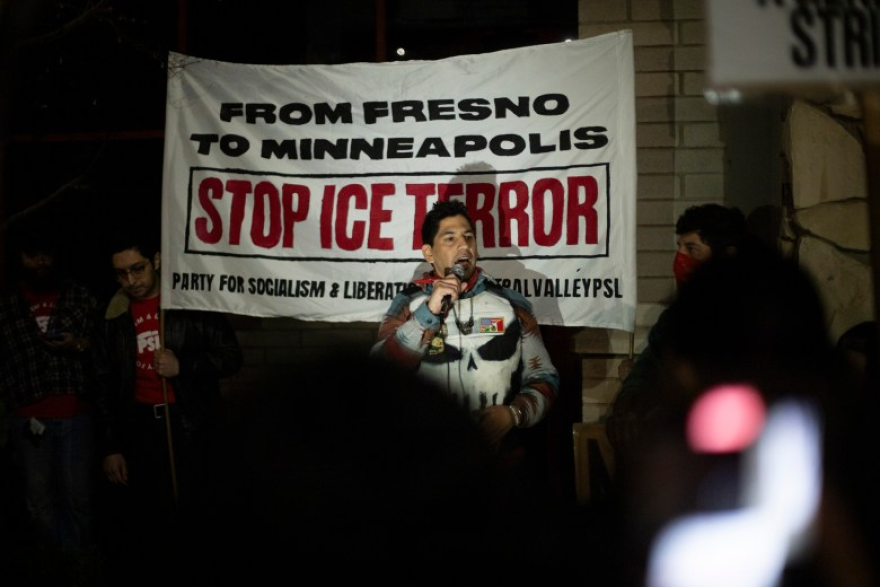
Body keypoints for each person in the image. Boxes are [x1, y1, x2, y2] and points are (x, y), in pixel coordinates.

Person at [91, 228, 243, 576]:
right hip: (139, 425)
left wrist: (183, 366)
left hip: (189, 421)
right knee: (147, 513)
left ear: (156, 260)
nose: (131, 280)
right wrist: (110, 445)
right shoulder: (111, 317)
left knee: (196, 505)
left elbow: (232, 357)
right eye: (121, 273)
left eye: (138, 268)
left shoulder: (190, 304)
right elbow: (101, 383)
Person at [370, 199, 560, 472]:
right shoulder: (407, 304)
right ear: (429, 253)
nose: (464, 246)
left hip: (500, 464)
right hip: (427, 467)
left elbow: (545, 377)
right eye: (450, 239)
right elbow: (380, 377)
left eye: (468, 237)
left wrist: (513, 414)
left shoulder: (511, 303)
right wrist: (428, 313)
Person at [604, 203, 751, 461]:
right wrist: (629, 403)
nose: (681, 259)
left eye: (692, 249)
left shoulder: (751, 317)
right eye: (680, 248)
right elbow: (648, 367)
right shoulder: (674, 318)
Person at [0, 224, 98, 555]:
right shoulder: (7, 305)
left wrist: (79, 344)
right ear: (20, 258)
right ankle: (54, 559)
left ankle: (78, 560)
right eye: (32, 255)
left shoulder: (80, 295)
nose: (41, 262)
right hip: (26, 418)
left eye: (47, 254)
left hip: (76, 413)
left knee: (78, 494)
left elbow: (103, 350)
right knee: (38, 498)